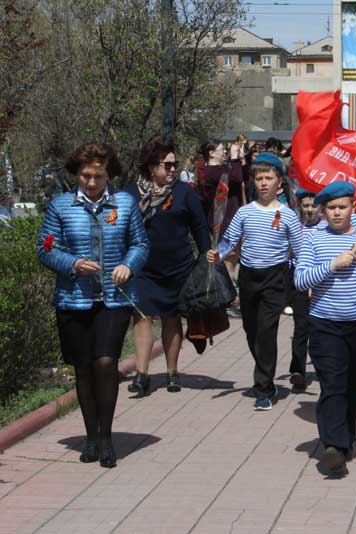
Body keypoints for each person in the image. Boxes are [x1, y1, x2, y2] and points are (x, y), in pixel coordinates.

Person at [37, 143, 149, 468]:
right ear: (77, 174)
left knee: (105, 362)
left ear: (107, 174)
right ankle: (90, 436)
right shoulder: (60, 206)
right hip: (74, 300)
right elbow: (45, 249)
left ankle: (107, 438)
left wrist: (129, 264)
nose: (91, 182)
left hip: (114, 299)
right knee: (83, 367)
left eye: (98, 176)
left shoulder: (125, 203)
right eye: (86, 175)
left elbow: (141, 244)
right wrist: (72, 263)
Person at [294, 181, 356, 475]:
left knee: (351, 386)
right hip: (325, 324)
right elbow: (300, 281)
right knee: (333, 384)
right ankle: (332, 445)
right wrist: (332, 265)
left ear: (353, 207)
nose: (337, 213)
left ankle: (345, 439)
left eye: (342, 207)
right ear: (323, 210)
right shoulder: (312, 237)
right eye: (331, 208)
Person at [207, 152, 303, 411]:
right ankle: (265, 373)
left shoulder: (288, 215)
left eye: (268, 178)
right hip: (249, 277)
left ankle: (263, 386)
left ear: (278, 183)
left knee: (266, 331)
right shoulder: (244, 213)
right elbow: (228, 242)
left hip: (275, 278)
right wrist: (218, 254)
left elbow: (300, 249)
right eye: (259, 178)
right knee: (251, 331)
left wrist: (304, 276)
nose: (263, 183)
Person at [125, 139, 211, 396]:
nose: (173, 169)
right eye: (168, 165)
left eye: (175, 165)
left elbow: (199, 228)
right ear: (152, 166)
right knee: (141, 318)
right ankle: (141, 374)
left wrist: (206, 256)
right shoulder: (131, 194)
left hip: (178, 267)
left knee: (171, 318)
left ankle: (172, 372)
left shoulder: (184, 192)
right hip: (142, 268)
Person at [287, 188, 328, 390]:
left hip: (322, 285)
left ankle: (325, 368)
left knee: (320, 330)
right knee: (301, 327)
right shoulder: (296, 227)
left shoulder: (327, 228)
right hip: (300, 284)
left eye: (313, 205)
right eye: (305, 205)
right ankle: (297, 371)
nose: (310, 209)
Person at [199, 138, 245, 299]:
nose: (225, 152)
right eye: (222, 149)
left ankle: (227, 296)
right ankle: (224, 298)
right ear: (211, 153)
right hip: (224, 223)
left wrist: (240, 160)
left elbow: (240, 177)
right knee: (228, 260)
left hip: (232, 221)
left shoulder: (222, 169)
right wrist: (234, 160)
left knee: (232, 259)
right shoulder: (211, 172)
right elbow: (236, 179)